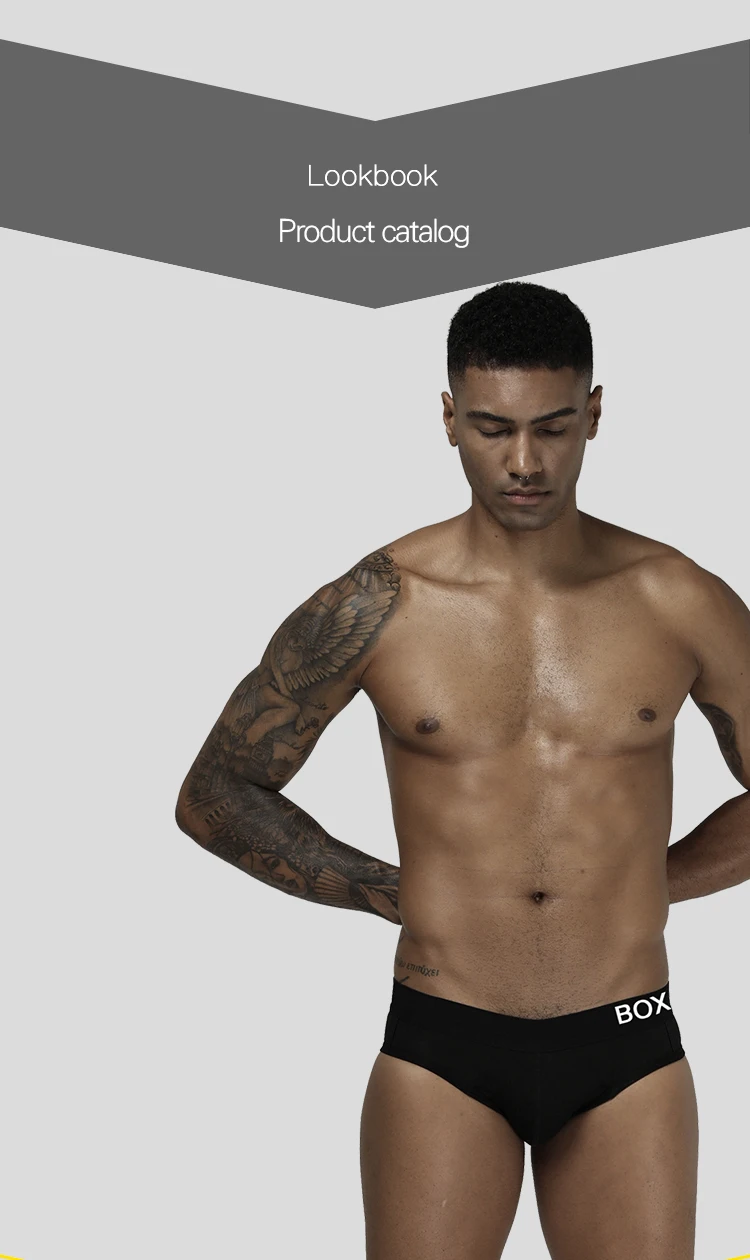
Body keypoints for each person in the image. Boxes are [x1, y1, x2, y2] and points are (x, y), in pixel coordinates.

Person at [174, 281, 750, 1259]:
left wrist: (652, 881)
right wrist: (391, 890)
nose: (524, 461)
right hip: (445, 1043)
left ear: (593, 414)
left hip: (628, 1037)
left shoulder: (678, 599)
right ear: (449, 419)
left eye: (552, 427)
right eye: (492, 428)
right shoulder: (379, 604)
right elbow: (215, 792)